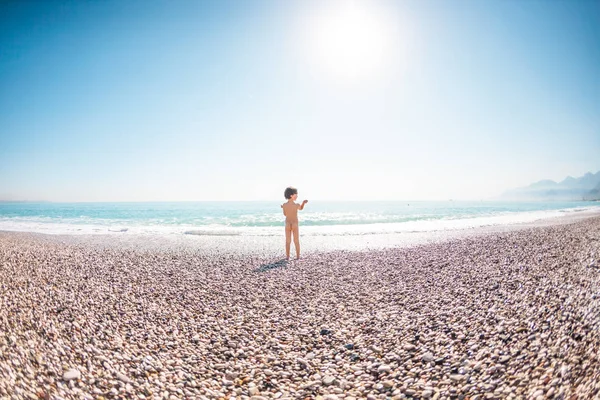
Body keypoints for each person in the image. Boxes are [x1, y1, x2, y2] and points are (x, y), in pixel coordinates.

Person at [281, 186, 308, 260]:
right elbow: (301, 208)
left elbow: (285, 214)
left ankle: (287, 256)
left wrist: (283, 208)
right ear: (291, 195)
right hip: (295, 224)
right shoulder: (296, 205)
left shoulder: (284, 205)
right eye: (296, 194)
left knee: (288, 241)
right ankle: (298, 256)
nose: (297, 196)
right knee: (296, 240)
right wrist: (303, 203)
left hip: (287, 224)